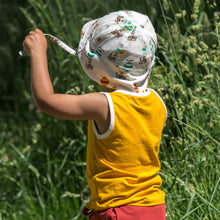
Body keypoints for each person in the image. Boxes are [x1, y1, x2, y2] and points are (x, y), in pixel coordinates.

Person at [23, 10, 167, 220]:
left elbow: (46, 100)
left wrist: (38, 53)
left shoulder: (105, 105)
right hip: (154, 207)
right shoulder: (156, 102)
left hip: (119, 212)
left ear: (97, 66)